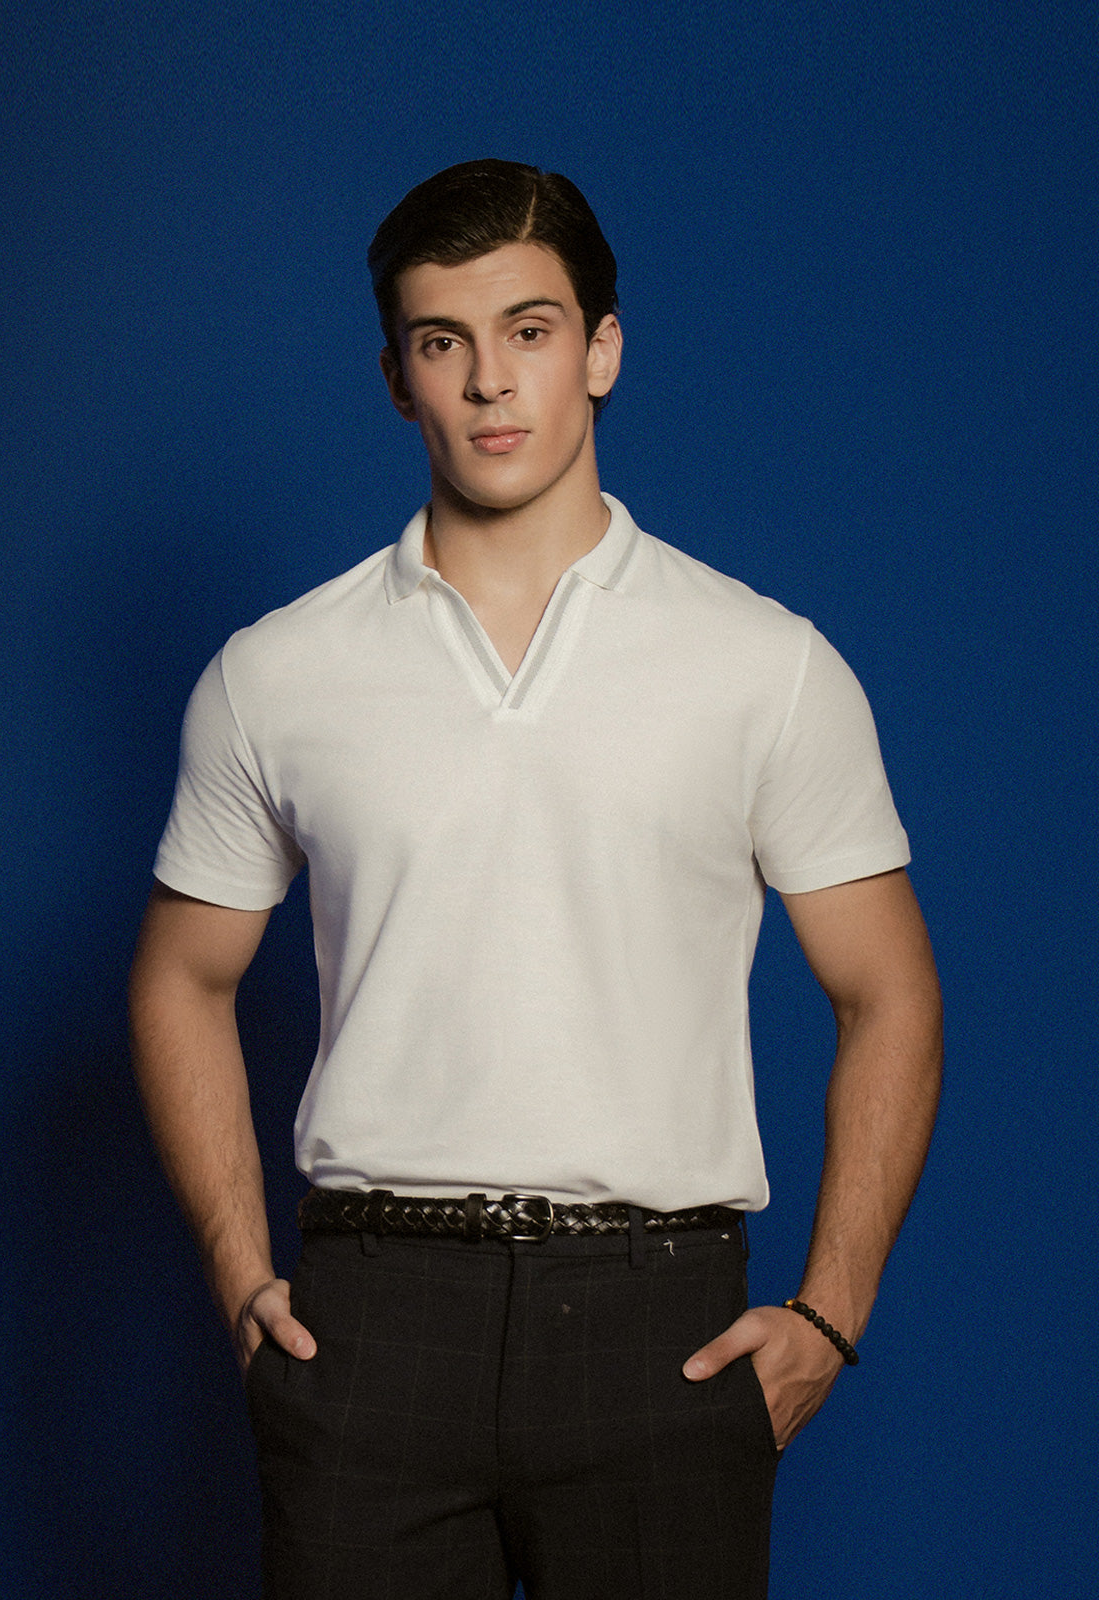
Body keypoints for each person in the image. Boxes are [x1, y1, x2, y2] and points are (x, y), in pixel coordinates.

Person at [129, 159, 942, 1599]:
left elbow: (891, 992)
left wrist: (831, 1313)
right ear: (398, 379)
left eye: (530, 330)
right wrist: (237, 1273)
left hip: (657, 1326)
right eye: (443, 342)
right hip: (373, 1321)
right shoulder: (276, 675)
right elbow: (181, 978)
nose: (490, 382)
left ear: (602, 349)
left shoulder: (766, 667)